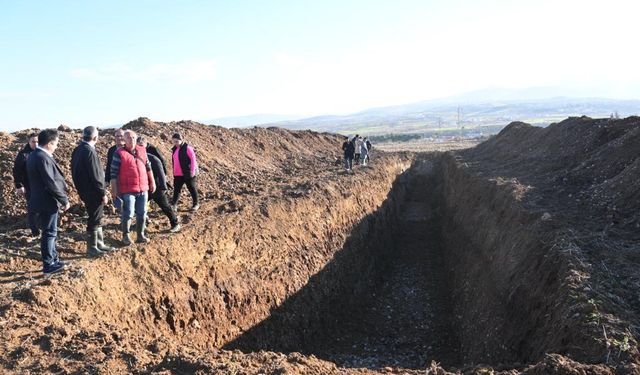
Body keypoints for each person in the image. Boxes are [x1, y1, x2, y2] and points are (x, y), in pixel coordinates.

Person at [27, 129, 70, 275]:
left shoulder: (35, 155)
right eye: (56, 144)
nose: (57, 146)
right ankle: (49, 265)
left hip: (41, 200)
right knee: (49, 233)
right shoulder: (42, 157)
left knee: (50, 232)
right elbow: (50, 182)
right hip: (47, 201)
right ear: (49, 143)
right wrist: (63, 199)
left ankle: (53, 259)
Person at [71, 126, 115, 256]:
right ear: (95, 137)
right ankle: (92, 247)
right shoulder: (89, 151)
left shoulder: (78, 150)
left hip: (84, 190)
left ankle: (99, 243)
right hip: (93, 191)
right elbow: (96, 175)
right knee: (94, 218)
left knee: (97, 216)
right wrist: (103, 192)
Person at [110, 130, 156, 245]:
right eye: (129, 138)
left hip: (143, 188)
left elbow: (148, 167)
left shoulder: (142, 150)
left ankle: (140, 235)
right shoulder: (119, 153)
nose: (132, 140)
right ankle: (126, 236)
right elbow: (113, 173)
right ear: (124, 140)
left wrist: (152, 182)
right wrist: (114, 191)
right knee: (128, 213)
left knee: (142, 212)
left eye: (134, 138)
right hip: (127, 189)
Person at [137, 136, 181, 233]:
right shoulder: (136, 158)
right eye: (138, 146)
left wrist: (163, 187)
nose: (139, 148)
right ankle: (143, 222)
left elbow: (161, 173)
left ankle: (175, 223)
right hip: (145, 187)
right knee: (139, 205)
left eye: (141, 146)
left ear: (145, 146)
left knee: (165, 206)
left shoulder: (153, 158)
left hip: (157, 187)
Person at [12, 133, 40, 236]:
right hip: (29, 186)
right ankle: (35, 231)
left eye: (37, 141)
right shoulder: (24, 154)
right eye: (33, 142)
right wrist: (19, 185)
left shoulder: (42, 152)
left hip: (42, 186)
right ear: (28, 141)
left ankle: (42, 228)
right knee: (33, 208)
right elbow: (17, 170)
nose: (36, 144)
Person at [170, 133, 199, 211]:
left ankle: (196, 204)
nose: (175, 143)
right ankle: (174, 205)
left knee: (191, 188)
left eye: (176, 141)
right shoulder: (174, 149)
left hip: (188, 173)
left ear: (181, 140)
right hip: (178, 174)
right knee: (177, 190)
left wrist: (192, 171)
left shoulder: (187, 148)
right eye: (173, 142)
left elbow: (193, 160)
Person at [105, 128, 125, 210]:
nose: (119, 138)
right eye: (117, 136)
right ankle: (123, 218)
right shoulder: (111, 150)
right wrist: (107, 180)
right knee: (119, 200)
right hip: (116, 179)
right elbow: (109, 165)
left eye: (121, 136)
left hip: (128, 178)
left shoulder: (129, 148)